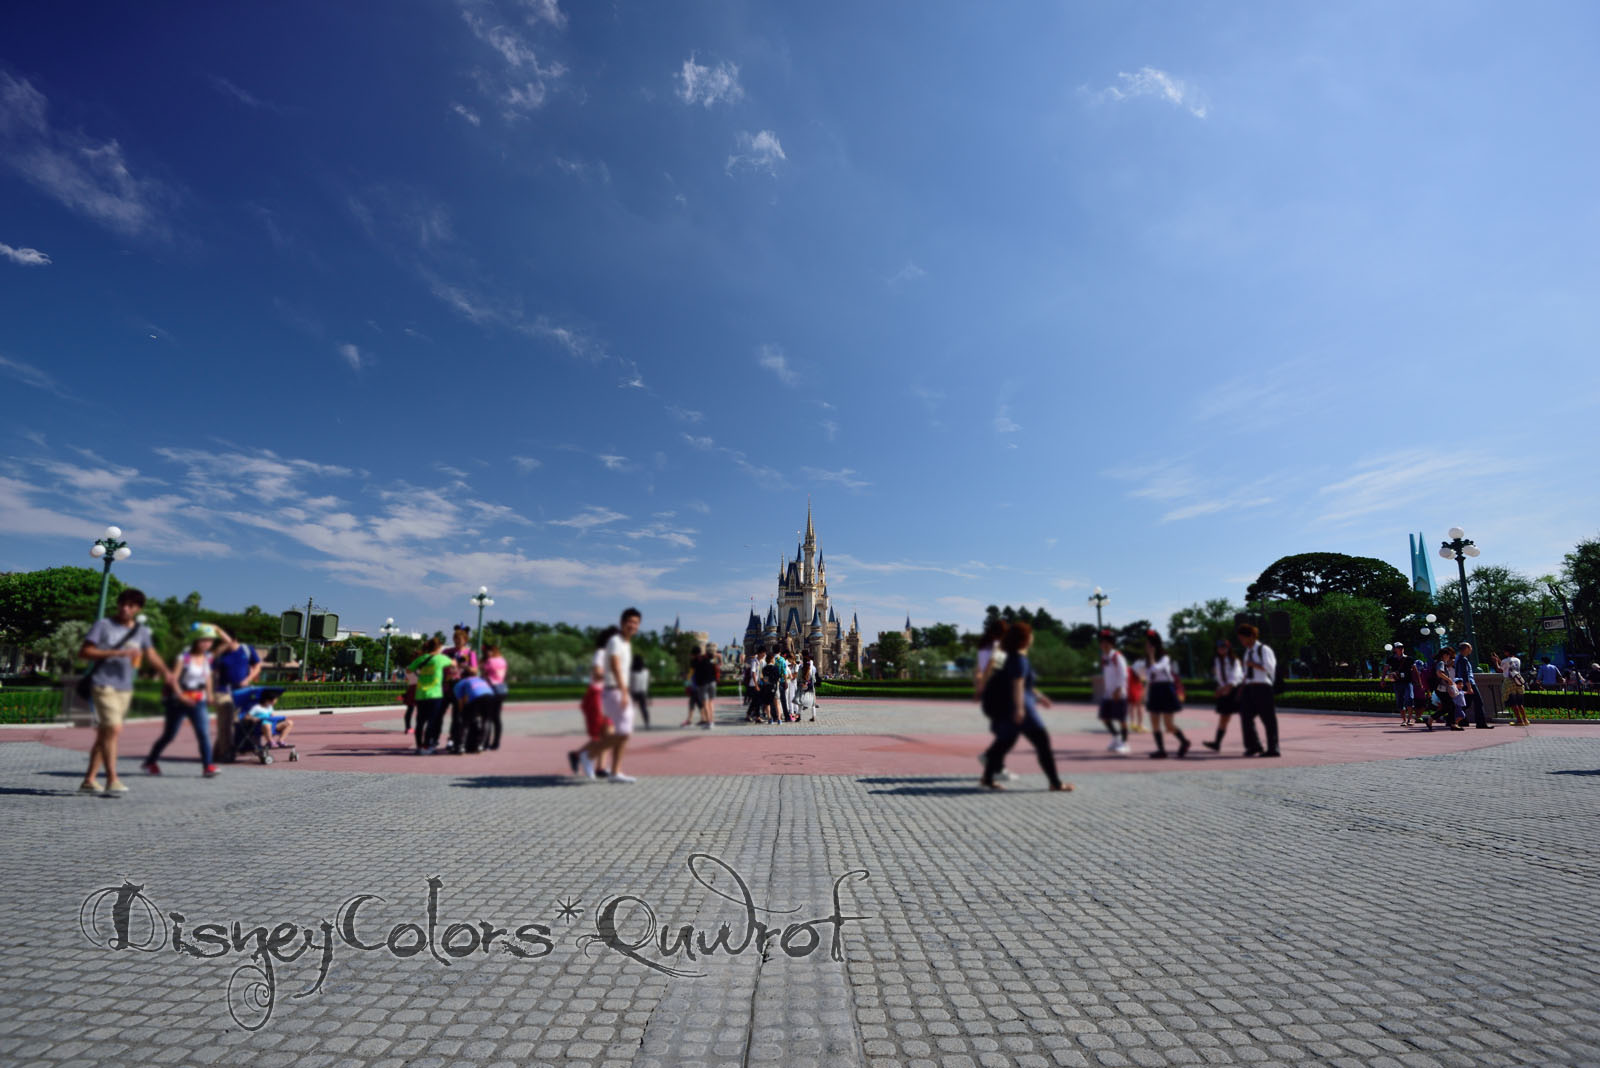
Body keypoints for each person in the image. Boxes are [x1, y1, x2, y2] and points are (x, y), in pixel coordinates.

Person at [78, 588, 171, 795]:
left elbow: (151, 654)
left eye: (131, 606)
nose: (125, 609)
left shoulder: (141, 631)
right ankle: (112, 779)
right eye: (123, 604)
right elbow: (84, 651)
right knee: (113, 729)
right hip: (103, 684)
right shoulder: (104, 626)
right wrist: (118, 652)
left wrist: (167, 673)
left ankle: (89, 780)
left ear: (138, 609)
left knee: (106, 733)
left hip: (124, 688)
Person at [979, 622, 1072, 792]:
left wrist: (1040, 696)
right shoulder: (1019, 659)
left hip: (1008, 707)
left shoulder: (1004, 655)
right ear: (1025, 639)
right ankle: (1056, 783)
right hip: (1022, 709)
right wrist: (1020, 709)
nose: (1032, 637)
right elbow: (1018, 684)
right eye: (1031, 634)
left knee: (1004, 742)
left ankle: (987, 778)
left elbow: (997, 675)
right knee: (1042, 742)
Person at [143, 623, 220, 777]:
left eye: (210, 640)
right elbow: (173, 679)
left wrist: (210, 695)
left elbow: (208, 678)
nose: (207, 644)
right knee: (170, 735)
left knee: (203, 733)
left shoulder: (207, 658)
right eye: (203, 640)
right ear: (195, 640)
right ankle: (150, 761)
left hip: (198, 700)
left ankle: (208, 766)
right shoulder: (183, 657)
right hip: (178, 701)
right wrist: (181, 696)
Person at [570, 627, 620, 778]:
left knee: (607, 734)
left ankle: (597, 765)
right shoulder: (601, 653)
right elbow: (597, 673)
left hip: (607, 696)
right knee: (607, 734)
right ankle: (583, 756)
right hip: (598, 695)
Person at [598, 609, 641, 781]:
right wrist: (624, 691)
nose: (633, 626)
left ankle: (614, 770)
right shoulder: (616, 641)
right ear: (622, 622)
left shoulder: (625, 643)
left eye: (636, 623)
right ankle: (588, 755)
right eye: (630, 621)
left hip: (617, 690)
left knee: (622, 732)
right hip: (615, 690)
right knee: (624, 732)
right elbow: (615, 666)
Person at [1136, 631, 1190, 758]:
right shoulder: (1148, 661)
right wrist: (1144, 693)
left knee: (1168, 725)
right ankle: (1161, 750)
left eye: (1150, 644)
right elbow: (1148, 677)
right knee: (1154, 722)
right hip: (1155, 690)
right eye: (1147, 644)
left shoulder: (1165, 658)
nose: (1148, 647)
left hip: (1165, 690)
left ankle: (1184, 742)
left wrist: (1151, 656)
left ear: (1156, 646)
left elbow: (1156, 669)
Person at [210, 625, 259, 762]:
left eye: (226, 642)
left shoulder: (246, 649)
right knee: (226, 723)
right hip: (223, 692)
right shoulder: (220, 654)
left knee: (235, 723)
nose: (223, 645)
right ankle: (227, 752)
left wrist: (248, 679)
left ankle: (216, 754)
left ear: (234, 639)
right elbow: (210, 673)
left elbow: (257, 665)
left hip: (241, 692)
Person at [1236, 623, 1280, 757]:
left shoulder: (1263, 649)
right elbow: (1245, 672)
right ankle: (1254, 745)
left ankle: (1273, 748)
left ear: (1251, 636)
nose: (1241, 641)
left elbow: (1270, 667)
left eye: (1242, 638)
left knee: (1268, 719)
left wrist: (1253, 665)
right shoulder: (1247, 652)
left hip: (1262, 687)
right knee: (1245, 717)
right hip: (1250, 687)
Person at [407, 638, 454, 753]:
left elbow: (408, 670)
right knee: (432, 721)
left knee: (420, 721)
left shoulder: (422, 658)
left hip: (421, 693)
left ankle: (419, 746)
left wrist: (420, 674)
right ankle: (427, 746)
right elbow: (453, 663)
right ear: (438, 648)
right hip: (435, 694)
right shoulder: (440, 658)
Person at [1203, 637, 1244, 751]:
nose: (1221, 649)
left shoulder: (1234, 660)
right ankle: (1217, 743)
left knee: (1245, 717)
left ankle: (1252, 744)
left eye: (1224, 647)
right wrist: (1220, 689)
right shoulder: (1217, 661)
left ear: (1228, 648)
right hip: (1224, 691)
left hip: (1235, 691)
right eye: (1219, 647)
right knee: (1223, 718)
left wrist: (1225, 688)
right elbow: (1219, 678)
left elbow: (1236, 677)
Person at [1096, 630, 1130, 756]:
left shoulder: (1117, 656)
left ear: (1112, 644)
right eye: (1102, 642)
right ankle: (1116, 738)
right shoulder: (1104, 657)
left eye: (1107, 642)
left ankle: (1125, 743)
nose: (1104, 645)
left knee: (1122, 719)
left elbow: (1124, 674)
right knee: (1104, 718)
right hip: (1108, 694)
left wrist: (1118, 689)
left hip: (1119, 693)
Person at [451, 667, 497, 753]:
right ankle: (480, 745)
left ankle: (461, 746)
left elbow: (460, 701)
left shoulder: (461, 683)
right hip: (491, 697)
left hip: (477, 698)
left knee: (465, 722)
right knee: (486, 720)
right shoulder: (480, 680)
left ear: (462, 675)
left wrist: (461, 712)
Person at [1457, 642, 1491, 729]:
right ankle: (1481, 723)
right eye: (1470, 648)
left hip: (1462, 683)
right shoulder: (1463, 659)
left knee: (1466, 704)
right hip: (1469, 683)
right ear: (1466, 649)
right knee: (1479, 702)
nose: (1471, 649)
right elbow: (1465, 674)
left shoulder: (1458, 658)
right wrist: (1469, 687)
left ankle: (1460, 720)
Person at [480, 643, 508, 749]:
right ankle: (496, 743)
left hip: (490, 691)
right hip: (502, 690)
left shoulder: (490, 661)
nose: (487, 653)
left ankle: (485, 742)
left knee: (487, 717)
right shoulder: (502, 660)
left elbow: (483, 672)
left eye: (488, 651)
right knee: (496, 718)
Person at [1434, 646, 1467, 730]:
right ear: (1444, 655)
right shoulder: (1441, 663)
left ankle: (1451, 723)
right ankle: (1433, 719)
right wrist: (1449, 680)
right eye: (1448, 655)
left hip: (1443, 688)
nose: (1449, 657)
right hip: (1442, 688)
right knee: (1449, 706)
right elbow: (1439, 673)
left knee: (1449, 706)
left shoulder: (1442, 663)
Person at [1498, 649, 1530, 727]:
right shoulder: (1517, 660)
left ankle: (1519, 720)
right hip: (1518, 681)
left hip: (1509, 682)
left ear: (1507, 651)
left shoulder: (1504, 660)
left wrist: (1496, 661)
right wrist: (1499, 659)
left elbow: (1500, 669)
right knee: (1520, 702)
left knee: (1513, 702)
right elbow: (1507, 665)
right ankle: (1525, 720)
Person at [1384, 642, 1414, 724]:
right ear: (1395, 649)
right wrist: (1382, 679)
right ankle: (1404, 720)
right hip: (1397, 682)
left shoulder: (1409, 658)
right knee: (1400, 700)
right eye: (1398, 647)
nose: (1401, 649)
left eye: (1402, 647)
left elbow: (1414, 670)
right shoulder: (1391, 659)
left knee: (1410, 698)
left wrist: (1418, 681)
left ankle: (1409, 719)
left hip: (1408, 682)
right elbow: (1385, 669)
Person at [691, 647, 718, 727]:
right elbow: (717, 659)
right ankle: (712, 721)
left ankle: (708, 722)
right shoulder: (709, 657)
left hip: (703, 684)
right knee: (711, 702)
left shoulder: (695, 661)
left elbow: (694, 672)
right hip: (712, 682)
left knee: (705, 703)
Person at [1126, 652, 1147, 733]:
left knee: (1134, 703)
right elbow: (1145, 677)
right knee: (1137, 703)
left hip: (1133, 675)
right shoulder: (1146, 662)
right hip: (1134, 677)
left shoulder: (1141, 662)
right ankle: (1138, 725)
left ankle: (1134, 723)